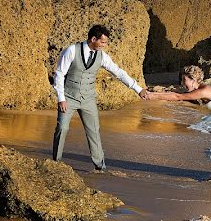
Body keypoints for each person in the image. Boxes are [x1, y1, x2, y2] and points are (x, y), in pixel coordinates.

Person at [52, 24, 148, 171]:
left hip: (88, 99)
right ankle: (55, 163)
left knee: (94, 131)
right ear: (93, 39)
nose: (105, 45)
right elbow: (59, 74)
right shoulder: (71, 50)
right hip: (68, 97)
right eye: (102, 42)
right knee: (62, 128)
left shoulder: (102, 56)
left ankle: (100, 167)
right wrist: (61, 98)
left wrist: (137, 88)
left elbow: (118, 72)